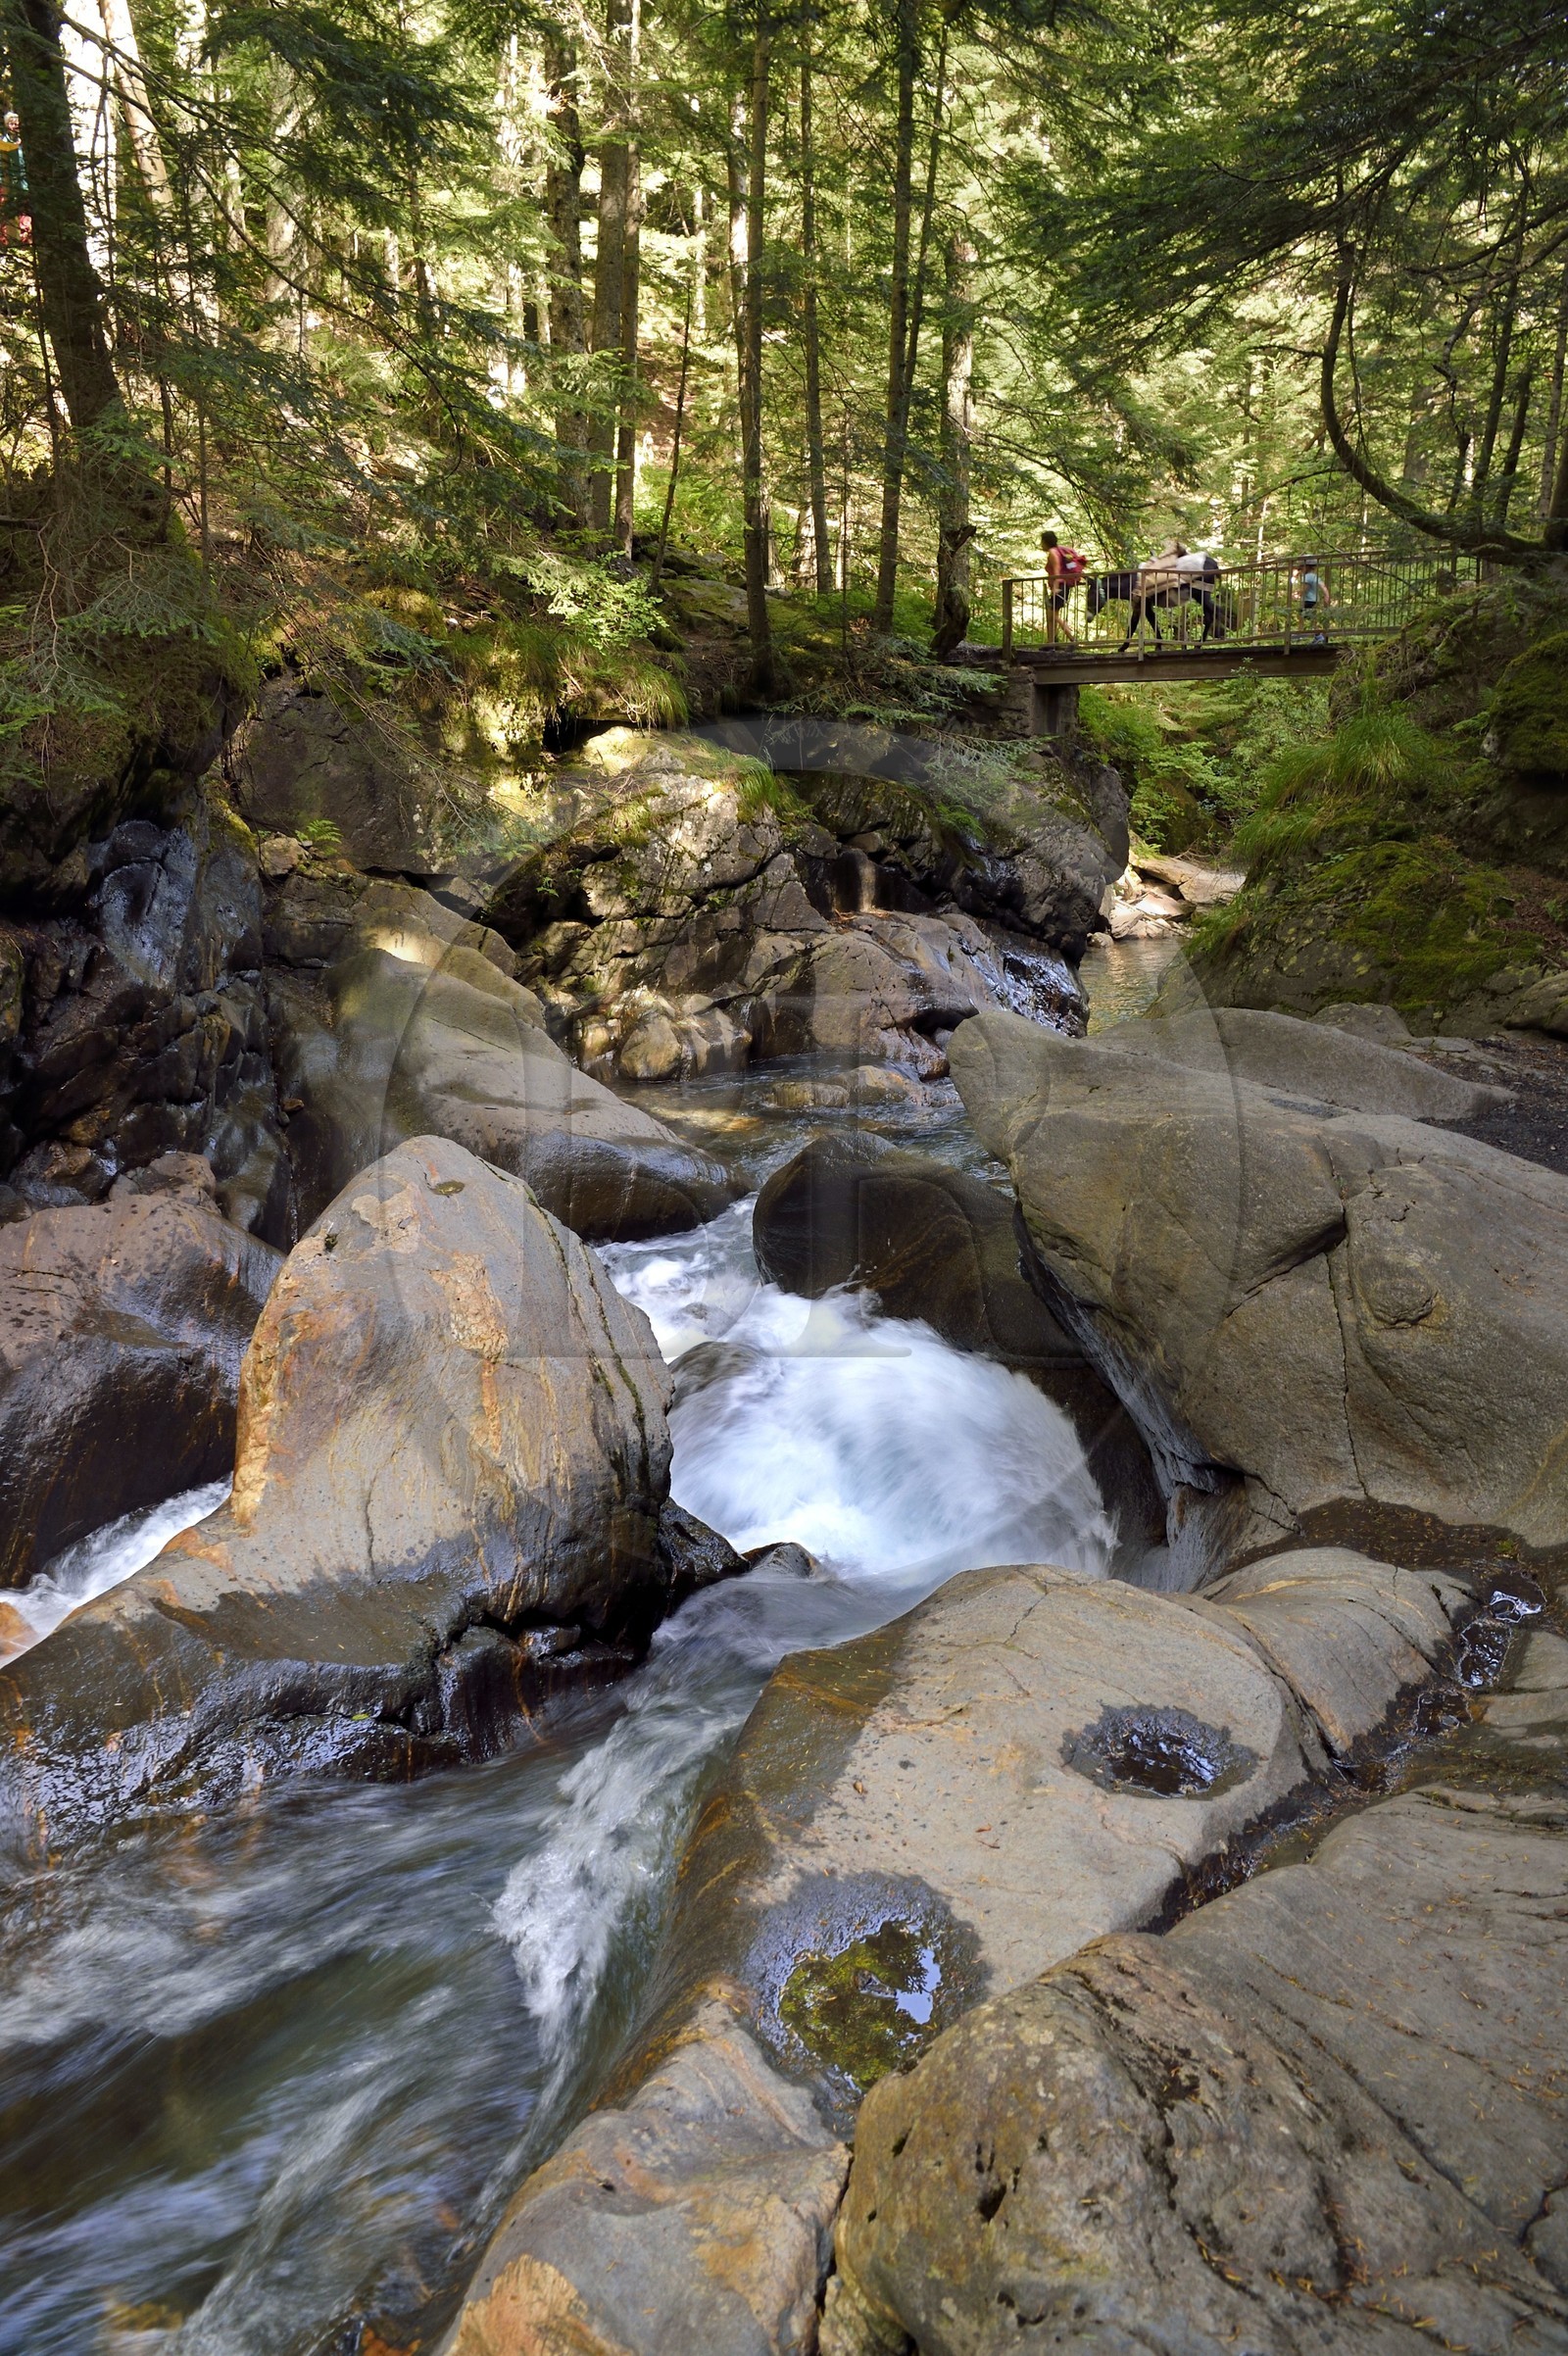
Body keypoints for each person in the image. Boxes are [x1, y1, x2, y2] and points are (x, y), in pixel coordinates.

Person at [1039, 530, 1075, 644]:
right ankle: (1051, 642)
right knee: (1052, 616)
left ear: (1046, 542)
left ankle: (1072, 638)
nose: (1041, 544)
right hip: (1062, 586)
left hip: (1059, 587)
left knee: (1054, 616)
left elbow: (1057, 571)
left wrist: (1055, 588)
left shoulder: (1053, 553)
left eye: (1042, 541)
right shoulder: (1058, 551)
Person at [0, 112, 29, 251]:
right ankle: (10, 242)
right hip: (7, 183)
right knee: (10, 213)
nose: (15, 126)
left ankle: (25, 241)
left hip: (23, 183)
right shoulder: (2, 142)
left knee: (24, 212)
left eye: (17, 123)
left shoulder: (26, 142)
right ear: (7, 125)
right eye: (11, 123)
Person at [1298, 556, 1330, 643]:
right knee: (1313, 619)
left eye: (1302, 567)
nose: (1301, 570)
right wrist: (1326, 595)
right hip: (1315, 600)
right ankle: (1317, 635)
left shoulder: (1307, 577)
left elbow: (1305, 588)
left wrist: (1299, 593)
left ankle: (1300, 633)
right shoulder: (1315, 576)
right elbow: (1323, 586)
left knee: (1301, 616)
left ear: (1307, 567)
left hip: (1307, 600)